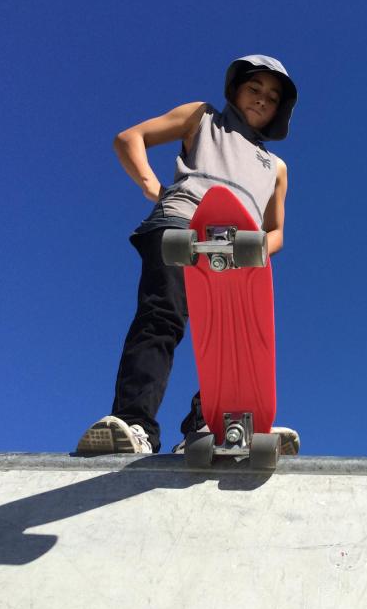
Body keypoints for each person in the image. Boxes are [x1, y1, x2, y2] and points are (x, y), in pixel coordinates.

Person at [76, 54, 299, 455]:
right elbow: (130, 138)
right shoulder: (202, 117)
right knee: (162, 316)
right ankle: (133, 424)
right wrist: (153, 187)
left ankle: (207, 428)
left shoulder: (277, 166)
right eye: (255, 88)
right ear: (235, 89)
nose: (263, 100)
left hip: (240, 249)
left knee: (234, 339)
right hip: (183, 225)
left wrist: (259, 249)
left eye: (272, 97)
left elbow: (277, 229)